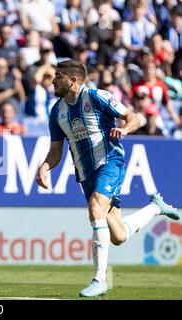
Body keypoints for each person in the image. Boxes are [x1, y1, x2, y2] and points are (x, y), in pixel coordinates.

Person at [36, 59, 179, 298]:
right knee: (119, 236)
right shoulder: (57, 111)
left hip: (110, 162)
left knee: (95, 209)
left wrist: (124, 129)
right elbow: (55, 152)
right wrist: (44, 167)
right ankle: (156, 207)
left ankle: (99, 279)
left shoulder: (96, 97)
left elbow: (133, 117)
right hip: (86, 175)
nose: (53, 81)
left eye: (58, 76)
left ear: (73, 80)